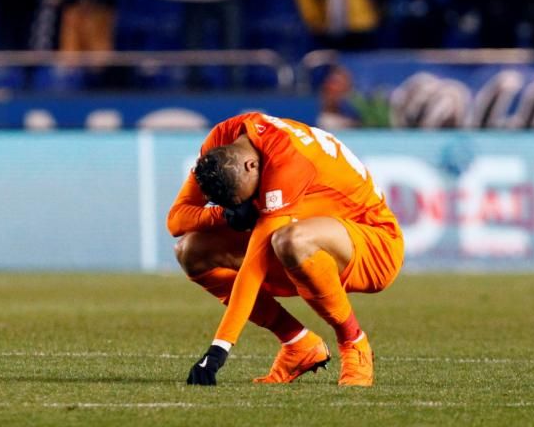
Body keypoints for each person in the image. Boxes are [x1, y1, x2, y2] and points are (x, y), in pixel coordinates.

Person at [169, 112, 403, 386]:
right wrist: (222, 215)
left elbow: (254, 267)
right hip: (303, 243)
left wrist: (219, 349)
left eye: (247, 197)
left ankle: (353, 342)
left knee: (291, 240)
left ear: (250, 164)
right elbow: (176, 220)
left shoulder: (286, 159)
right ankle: (298, 344)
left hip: (373, 247)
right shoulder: (221, 143)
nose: (248, 203)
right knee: (190, 250)